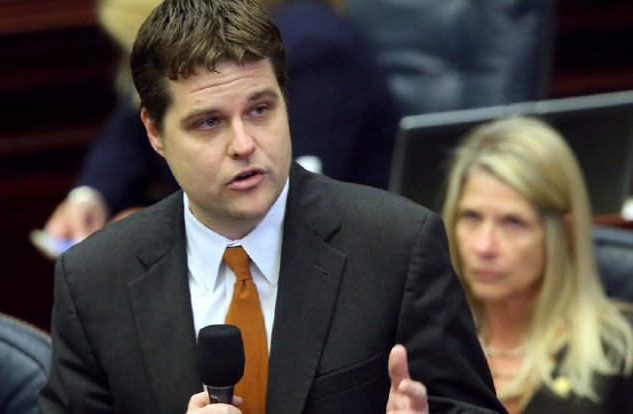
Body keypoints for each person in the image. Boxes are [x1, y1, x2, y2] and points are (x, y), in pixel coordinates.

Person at [39, 0, 506, 413]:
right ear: (155, 132)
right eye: (209, 123)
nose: (244, 144)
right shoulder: (94, 283)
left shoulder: (398, 246)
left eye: (260, 110)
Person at [40, 0, 400, 246]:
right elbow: (127, 128)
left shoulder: (316, 46)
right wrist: (90, 196)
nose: (243, 142)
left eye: (259, 110)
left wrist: (157, 226)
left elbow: (286, 196)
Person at [440, 116, 633, 413]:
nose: (483, 246)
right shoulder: (426, 342)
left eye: (513, 222)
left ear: (565, 234)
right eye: (471, 217)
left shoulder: (620, 352)